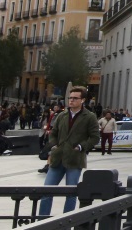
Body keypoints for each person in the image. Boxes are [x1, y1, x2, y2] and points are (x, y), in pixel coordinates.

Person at [40, 87, 100, 216]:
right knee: (46, 191)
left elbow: (95, 137)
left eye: (75, 98)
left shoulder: (89, 117)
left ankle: (67, 222)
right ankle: (42, 221)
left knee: (71, 193)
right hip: (57, 158)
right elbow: (53, 133)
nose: (71, 100)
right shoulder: (62, 115)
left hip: (74, 159)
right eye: (70, 98)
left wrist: (80, 147)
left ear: (83, 100)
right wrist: (54, 145)